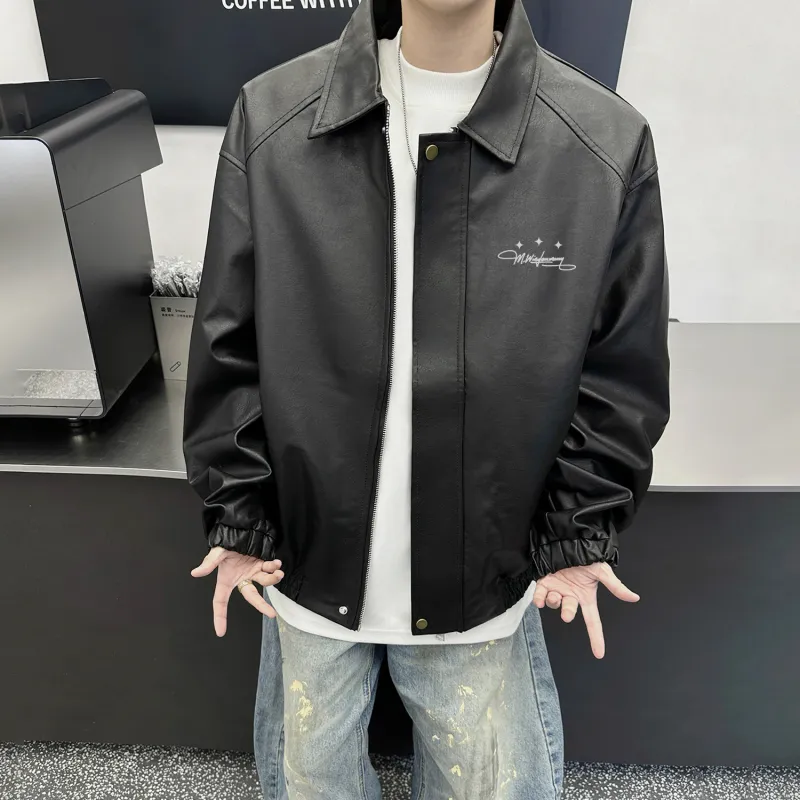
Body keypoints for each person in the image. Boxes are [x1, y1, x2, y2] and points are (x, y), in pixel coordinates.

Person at [183, 0, 670, 795]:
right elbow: (227, 340)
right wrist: (238, 513)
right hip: (306, 567)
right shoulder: (272, 116)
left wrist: (579, 531)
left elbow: (622, 368)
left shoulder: (600, 140)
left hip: (482, 580)